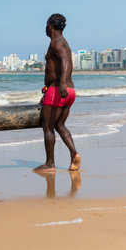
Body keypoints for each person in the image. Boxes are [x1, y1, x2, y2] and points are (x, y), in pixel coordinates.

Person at [34, 14, 80, 173]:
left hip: (59, 89)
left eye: (46, 24)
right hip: (68, 90)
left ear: (50, 25)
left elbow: (66, 60)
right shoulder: (62, 42)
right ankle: (74, 154)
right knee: (59, 125)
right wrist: (49, 88)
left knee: (48, 126)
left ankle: (49, 164)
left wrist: (60, 83)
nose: (45, 28)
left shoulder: (57, 42)